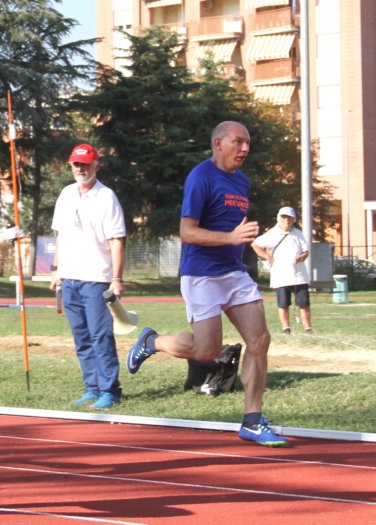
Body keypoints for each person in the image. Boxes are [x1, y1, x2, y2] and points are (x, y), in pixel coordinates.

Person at [126, 121, 288, 447]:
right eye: (238, 142)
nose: (245, 149)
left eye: (248, 143)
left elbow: (233, 226)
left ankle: (252, 420)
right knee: (207, 351)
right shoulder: (200, 177)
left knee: (260, 340)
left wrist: (238, 242)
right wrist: (230, 237)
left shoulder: (242, 181)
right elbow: (187, 231)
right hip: (201, 273)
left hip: (234, 272)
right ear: (218, 143)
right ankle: (152, 341)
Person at [49, 143, 126, 410]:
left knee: (100, 336)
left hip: (96, 278)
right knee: (81, 337)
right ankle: (91, 387)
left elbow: (116, 240)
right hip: (69, 278)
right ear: (70, 166)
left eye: (85, 164)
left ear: (96, 165)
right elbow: (60, 235)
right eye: (76, 164)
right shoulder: (66, 194)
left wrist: (116, 279)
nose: (80, 169)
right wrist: (56, 271)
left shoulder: (106, 197)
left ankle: (110, 390)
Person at [252, 206, 312, 334]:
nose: (286, 220)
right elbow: (255, 244)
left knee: (303, 302)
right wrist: (267, 256)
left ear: (293, 219)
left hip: (299, 275)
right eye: (284, 217)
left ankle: (308, 328)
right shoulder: (272, 233)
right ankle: (286, 328)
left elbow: (306, 251)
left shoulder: (298, 233)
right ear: (279, 218)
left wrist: (301, 257)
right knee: (283, 303)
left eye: (289, 217)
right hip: (281, 275)